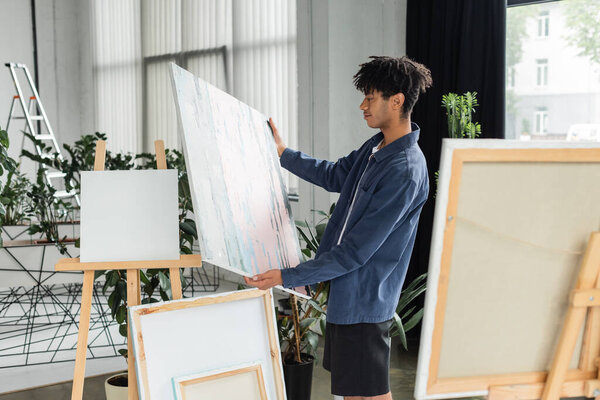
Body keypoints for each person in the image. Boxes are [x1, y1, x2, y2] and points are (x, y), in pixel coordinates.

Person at [244, 56, 432, 400]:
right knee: (354, 393)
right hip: (348, 298)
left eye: (371, 97)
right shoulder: (375, 148)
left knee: (371, 394)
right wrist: (283, 153)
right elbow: (334, 174)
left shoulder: (405, 169)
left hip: (366, 301)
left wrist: (290, 276)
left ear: (397, 100)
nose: (363, 106)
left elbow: (358, 250)